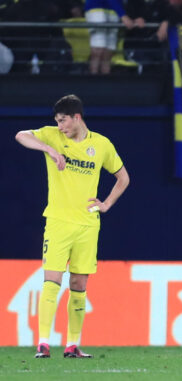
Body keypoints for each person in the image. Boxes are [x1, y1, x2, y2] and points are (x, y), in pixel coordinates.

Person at [15, 94, 130, 359]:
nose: (60, 126)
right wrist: (50, 150)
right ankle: (43, 343)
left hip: (88, 224)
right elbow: (21, 135)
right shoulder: (52, 136)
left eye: (63, 121)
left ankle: (72, 345)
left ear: (77, 117)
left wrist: (107, 203)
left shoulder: (101, 145)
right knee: (52, 281)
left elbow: (123, 177)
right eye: (57, 121)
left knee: (79, 283)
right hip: (58, 221)